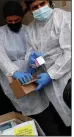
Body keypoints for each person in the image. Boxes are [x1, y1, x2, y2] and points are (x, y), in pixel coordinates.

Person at [0, 1, 64, 135]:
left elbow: (37, 51)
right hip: (13, 80)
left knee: (46, 115)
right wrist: (14, 72)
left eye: (16, 20)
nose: (13, 24)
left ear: (21, 17)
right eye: (9, 21)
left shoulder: (28, 30)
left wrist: (34, 63)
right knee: (25, 120)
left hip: (33, 77)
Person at [24, 0, 71, 135]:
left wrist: (51, 74)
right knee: (64, 119)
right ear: (30, 10)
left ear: (48, 2)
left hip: (68, 76)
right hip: (49, 83)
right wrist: (33, 61)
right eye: (34, 7)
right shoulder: (31, 29)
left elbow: (70, 53)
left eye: (42, 3)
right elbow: (33, 54)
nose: (39, 9)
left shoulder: (63, 18)